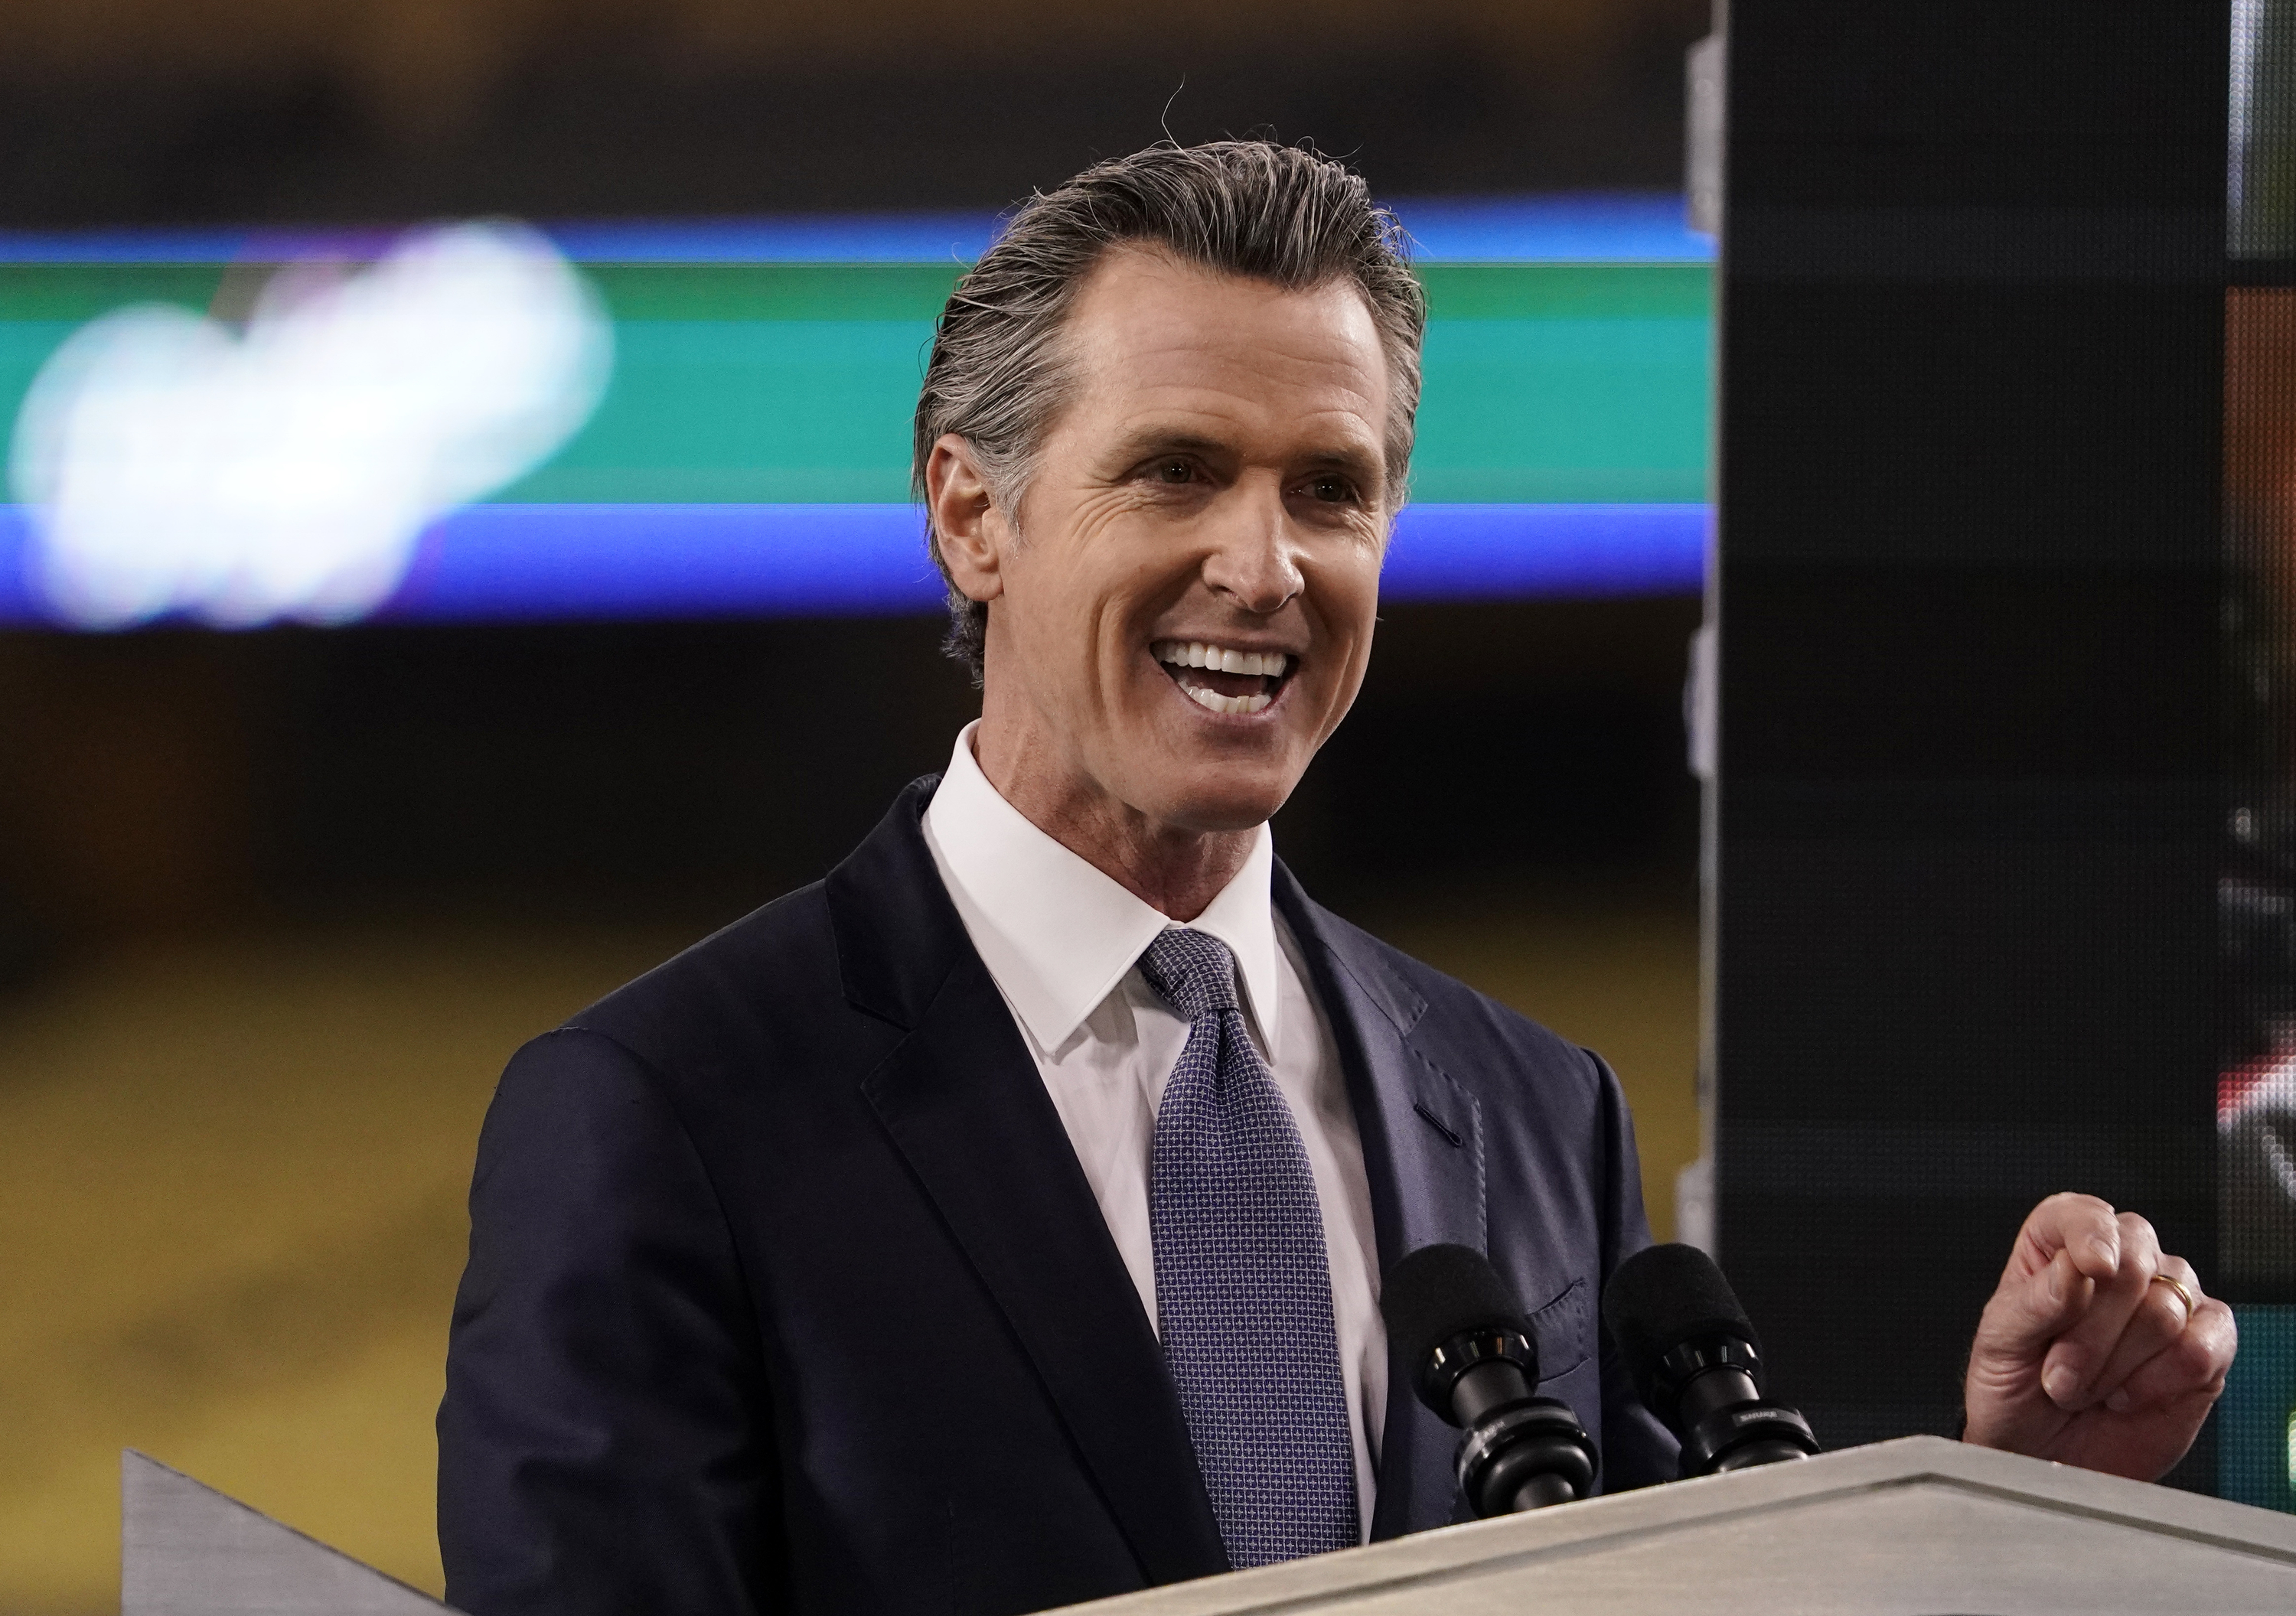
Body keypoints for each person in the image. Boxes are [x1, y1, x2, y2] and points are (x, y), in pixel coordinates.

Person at [436, 141, 2237, 1616]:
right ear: (970, 513)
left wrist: (2001, 1511)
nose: (1266, 563)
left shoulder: (1534, 1109)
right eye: (1177, 472)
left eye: (1332, 489)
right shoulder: (663, 1116)